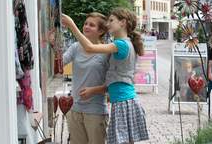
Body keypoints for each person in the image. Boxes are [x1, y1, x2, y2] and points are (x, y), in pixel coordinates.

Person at [62, 8, 149, 144]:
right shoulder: (122, 44)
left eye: (111, 20)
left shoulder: (120, 44)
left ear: (123, 23)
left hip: (122, 101)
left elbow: (90, 48)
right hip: (120, 101)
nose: (108, 24)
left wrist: (72, 25)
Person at [62, 12, 109, 144]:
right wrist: (52, 45)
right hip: (75, 110)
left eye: (92, 25)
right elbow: (60, 64)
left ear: (100, 31)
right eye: (85, 24)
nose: (86, 26)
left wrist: (94, 90)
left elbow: (113, 84)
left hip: (95, 112)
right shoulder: (76, 47)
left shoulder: (106, 51)